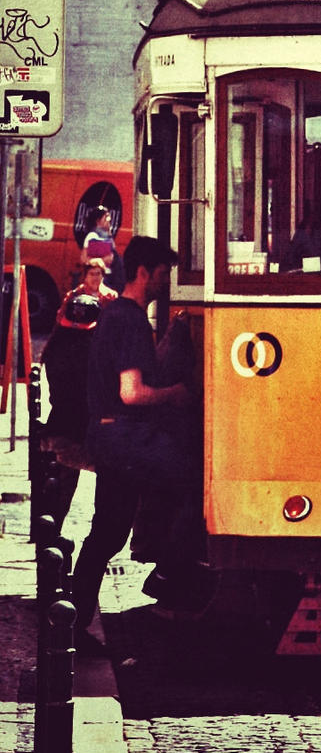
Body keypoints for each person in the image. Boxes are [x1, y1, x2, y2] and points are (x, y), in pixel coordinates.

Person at [71, 236, 212, 656]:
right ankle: (171, 577)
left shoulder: (118, 315)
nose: (165, 282)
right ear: (145, 273)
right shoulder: (129, 319)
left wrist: (171, 335)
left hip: (113, 438)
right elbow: (132, 392)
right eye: (163, 274)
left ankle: (75, 623)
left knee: (106, 534)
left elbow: (137, 371)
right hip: (126, 440)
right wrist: (178, 394)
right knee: (194, 480)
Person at [39, 261, 118, 534]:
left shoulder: (58, 348)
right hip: (91, 433)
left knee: (59, 494)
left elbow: (54, 389)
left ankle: (50, 537)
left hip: (60, 429)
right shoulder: (94, 351)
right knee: (106, 495)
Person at [80, 204, 124, 294]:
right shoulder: (92, 236)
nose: (109, 221)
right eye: (106, 217)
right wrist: (102, 261)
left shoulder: (108, 237)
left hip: (111, 277)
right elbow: (84, 259)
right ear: (98, 221)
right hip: (101, 278)